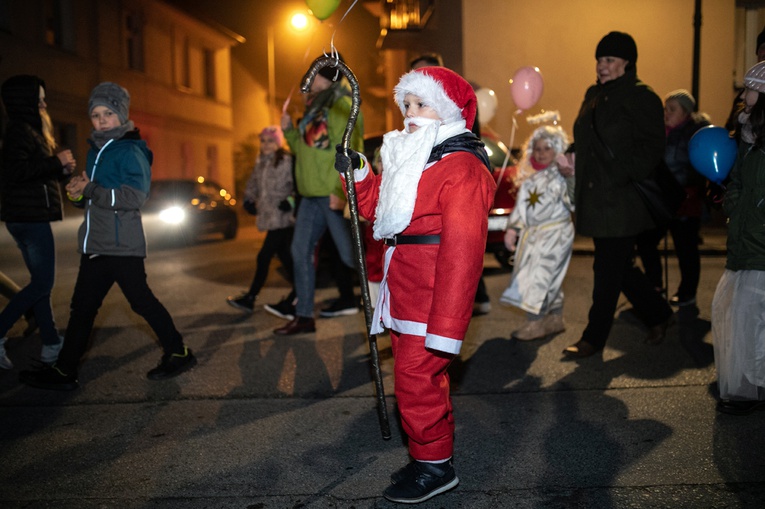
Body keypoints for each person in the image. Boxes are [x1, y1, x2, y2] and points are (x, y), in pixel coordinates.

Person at [336, 66, 496, 503]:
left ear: (446, 111)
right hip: (403, 286)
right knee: (413, 378)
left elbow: (463, 253)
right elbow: (382, 213)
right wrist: (361, 174)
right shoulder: (417, 157)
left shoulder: (461, 165)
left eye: (421, 103)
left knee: (415, 378)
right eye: (406, 104)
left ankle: (435, 466)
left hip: (430, 293)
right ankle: (427, 455)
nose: (409, 113)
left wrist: (447, 324)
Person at [19, 82, 196, 390]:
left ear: (121, 115)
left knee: (141, 302)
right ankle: (65, 370)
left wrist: (91, 190)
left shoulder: (130, 150)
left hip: (122, 246)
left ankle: (178, 352)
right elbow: (93, 198)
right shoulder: (95, 151)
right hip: (96, 243)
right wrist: (78, 194)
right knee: (82, 308)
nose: (101, 120)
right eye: (96, 114)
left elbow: (134, 197)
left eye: (108, 114)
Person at [564, 31, 674, 359]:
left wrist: (622, 172)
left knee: (608, 269)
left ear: (627, 63)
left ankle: (593, 338)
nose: (602, 65)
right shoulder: (593, 94)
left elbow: (653, 147)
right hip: (596, 198)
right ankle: (658, 314)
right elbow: (586, 138)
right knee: (618, 267)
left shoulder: (642, 97)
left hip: (623, 200)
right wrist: (571, 153)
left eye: (609, 59)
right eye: (599, 59)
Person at [272, 53, 364, 335]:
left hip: (330, 194)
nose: (309, 81)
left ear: (330, 76)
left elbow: (351, 148)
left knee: (353, 257)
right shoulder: (314, 109)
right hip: (311, 195)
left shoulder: (343, 105)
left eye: (316, 74)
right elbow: (304, 151)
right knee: (299, 251)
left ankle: (392, 307)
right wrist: (288, 133)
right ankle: (304, 316)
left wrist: (342, 189)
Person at [0, 75, 75, 369]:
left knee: (40, 284)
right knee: (43, 283)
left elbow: (34, 174)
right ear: (26, 102)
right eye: (39, 98)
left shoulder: (29, 131)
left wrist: (61, 169)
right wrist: (55, 163)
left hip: (26, 215)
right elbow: (16, 172)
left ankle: (51, 343)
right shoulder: (20, 131)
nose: (44, 103)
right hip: (28, 218)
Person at [410, 52, 492, 316]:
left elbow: (470, 133)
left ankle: (466, 301)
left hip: (452, 178)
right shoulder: (415, 116)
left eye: (424, 73)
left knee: (459, 243)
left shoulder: (454, 106)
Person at [712, 61, 765, 415]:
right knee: (740, 314)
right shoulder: (747, 139)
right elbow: (740, 184)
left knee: (753, 313)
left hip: (760, 244)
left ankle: (754, 385)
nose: (742, 95)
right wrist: (733, 200)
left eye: (748, 89)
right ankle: (749, 384)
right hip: (746, 240)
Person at [635, 90, 710, 308]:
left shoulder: (695, 135)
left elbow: (697, 167)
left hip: (685, 199)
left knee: (685, 248)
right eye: (665, 108)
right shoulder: (660, 133)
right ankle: (655, 283)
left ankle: (687, 293)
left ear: (686, 112)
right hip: (660, 199)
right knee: (646, 239)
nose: (666, 113)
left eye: (672, 109)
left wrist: (692, 189)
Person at [500, 125, 575, 340]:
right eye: (537, 148)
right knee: (545, 278)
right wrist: (513, 229)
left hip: (556, 234)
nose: (541, 153)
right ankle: (554, 318)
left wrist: (569, 176)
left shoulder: (560, 178)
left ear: (557, 151)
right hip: (533, 237)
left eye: (547, 149)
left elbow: (573, 202)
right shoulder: (530, 180)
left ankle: (535, 322)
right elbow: (521, 209)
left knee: (540, 277)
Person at [226, 126, 295, 313]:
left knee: (264, 256)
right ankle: (300, 291)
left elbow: (296, 185)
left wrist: (291, 201)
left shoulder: (286, 160)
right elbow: (252, 184)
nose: (265, 144)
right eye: (263, 140)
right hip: (268, 216)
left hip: (282, 217)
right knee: (286, 259)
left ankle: (250, 297)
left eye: (270, 140)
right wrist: (248, 199)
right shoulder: (261, 162)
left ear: (278, 143)